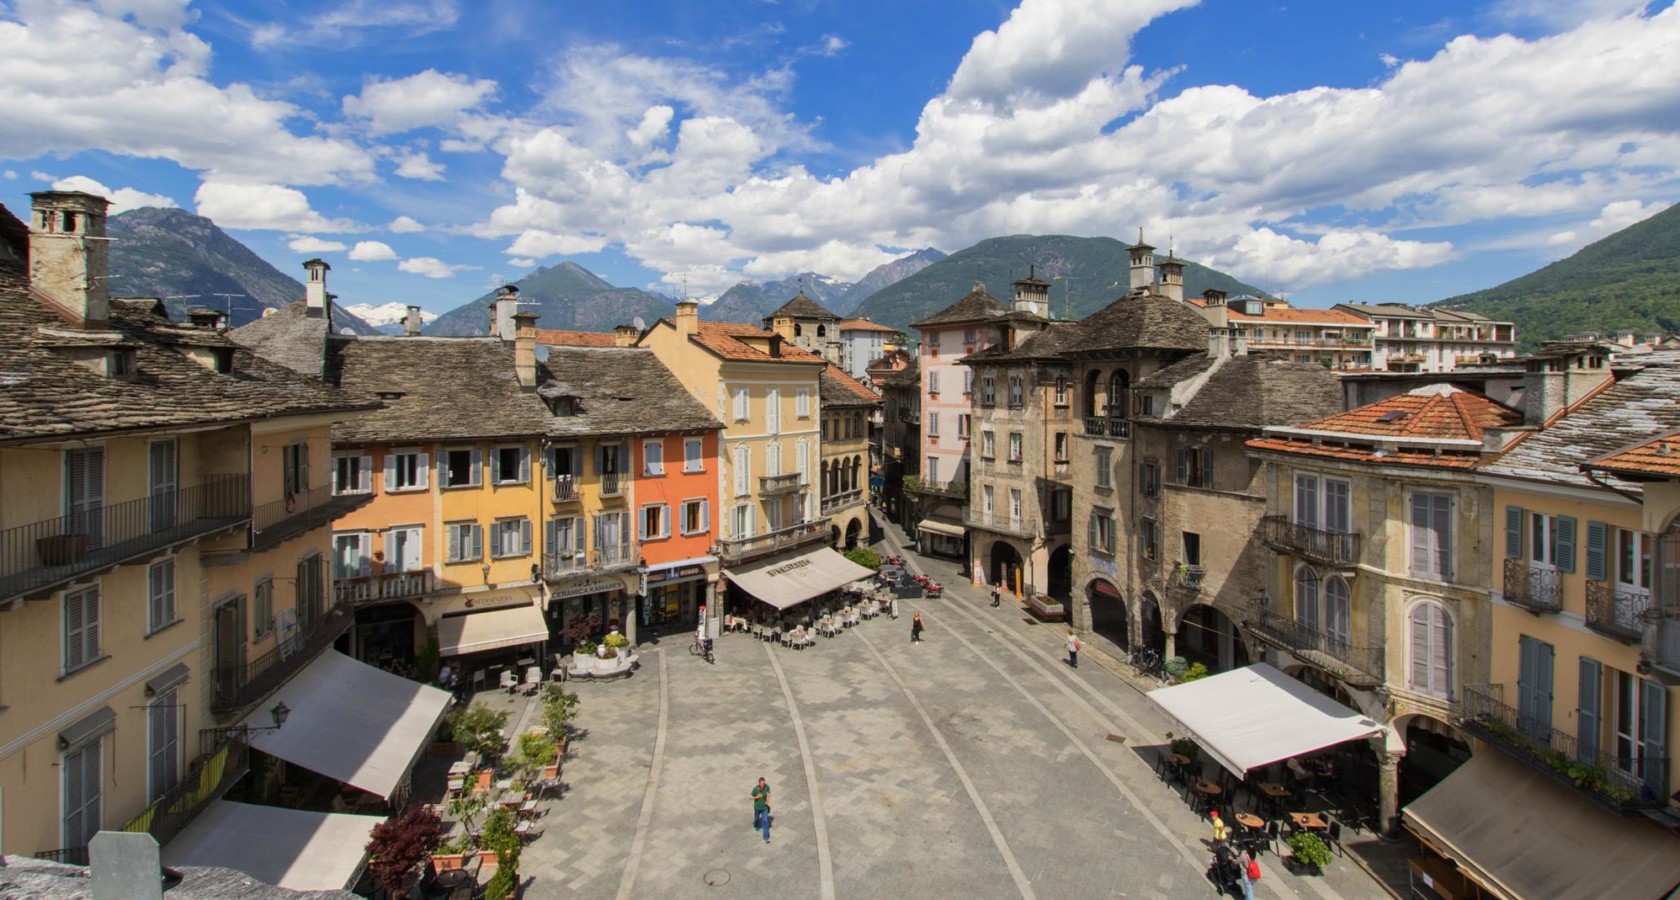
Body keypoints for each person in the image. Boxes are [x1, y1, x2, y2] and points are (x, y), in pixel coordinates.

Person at [751, 777, 771, 843]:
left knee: (765, 821)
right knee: (756, 819)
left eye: (763, 783)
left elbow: (769, 792)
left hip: (764, 808)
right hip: (757, 808)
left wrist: (767, 800)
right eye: (762, 784)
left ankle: (766, 837)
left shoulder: (766, 786)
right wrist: (757, 797)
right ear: (759, 783)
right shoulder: (755, 789)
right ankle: (756, 825)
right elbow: (750, 797)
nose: (763, 785)